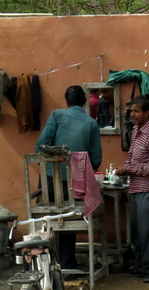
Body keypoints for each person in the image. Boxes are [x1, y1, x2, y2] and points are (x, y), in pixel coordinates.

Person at [35, 85, 102, 270]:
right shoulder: (91, 123)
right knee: (69, 216)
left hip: (48, 181)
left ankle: (44, 262)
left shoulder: (57, 115)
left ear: (66, 101)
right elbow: (95, 160)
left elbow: (40, 146)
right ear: (84, 102)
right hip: (75, 185)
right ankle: (66, 262)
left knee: (47, 217)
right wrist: (78, 165)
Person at [116, 96, 149, 283]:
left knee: (148, 232)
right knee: (137, 231)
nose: (132, 114)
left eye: (136, 111)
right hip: (135, 189)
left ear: (147, 113)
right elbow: (131, 158)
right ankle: (141, 266)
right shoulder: (136, 130)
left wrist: (131, 170)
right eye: (131, 111)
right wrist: (125, 169)